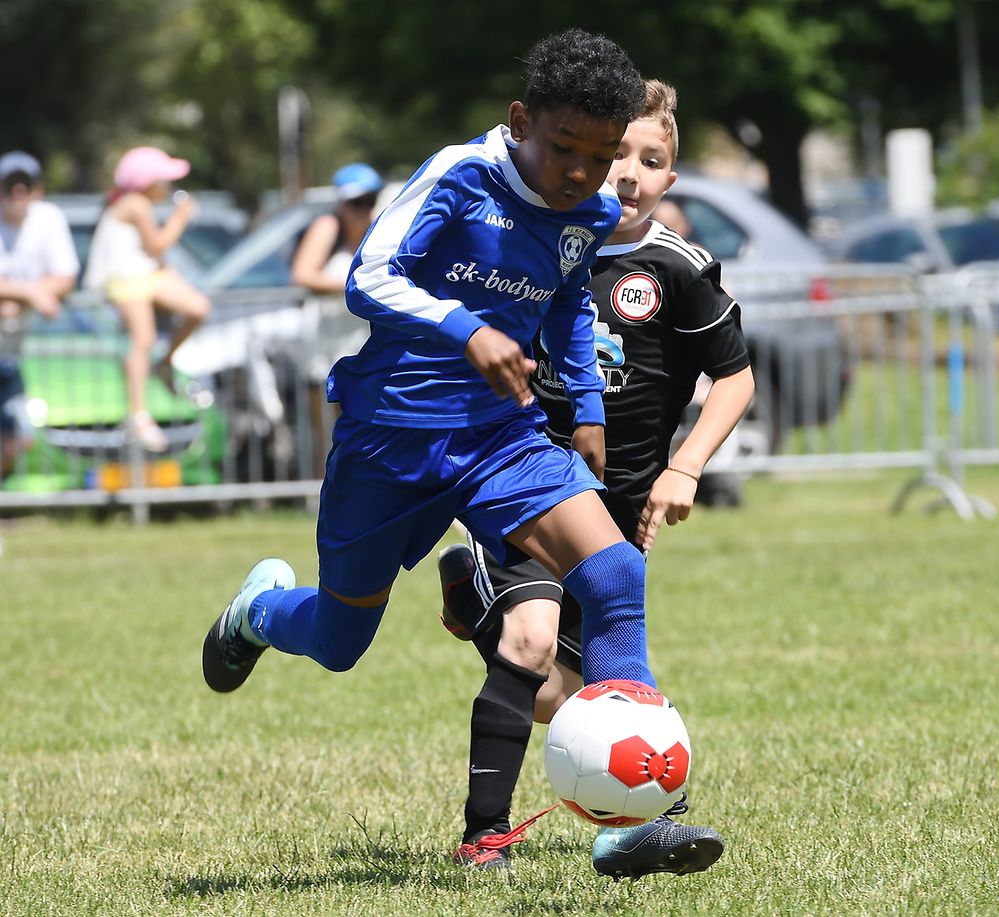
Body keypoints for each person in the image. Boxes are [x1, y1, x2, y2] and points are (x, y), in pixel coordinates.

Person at [201, 28, 659, 803]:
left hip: (501, 439)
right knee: (340, 642)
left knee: (616, 572)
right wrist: (466, 328)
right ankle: (258, 612)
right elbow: (365, 279)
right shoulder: (461, 174)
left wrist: (585, 408)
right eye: (564, 146)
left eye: (602, 152)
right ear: (522, 122)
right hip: (391, 438)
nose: (581, 171)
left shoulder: (589, 211)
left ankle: (636, 806)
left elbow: (568, 302)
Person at [437, 80, 753, 877]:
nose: (631, 173)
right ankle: (487, 836)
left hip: (619, 519)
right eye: (619, 155)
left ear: (669, 181)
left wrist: (685, 467)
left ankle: (474, 606)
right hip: (527, 486)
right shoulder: (537, 245)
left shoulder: (677, 268)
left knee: (566, 696)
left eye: (652, 161)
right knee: (532, 639)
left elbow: (737, 379)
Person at [83, 146, 211, 453]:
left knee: (198, 308)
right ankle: (138, 414)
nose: (167, 187)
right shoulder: (135, 204)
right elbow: (155, 246)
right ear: (147, 182)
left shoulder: (136, 204)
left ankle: (164, 365)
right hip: (127, 279)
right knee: (143, 339)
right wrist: (180, 218)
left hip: (142, 276)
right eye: (162, 180)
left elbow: (154, 256)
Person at [290, 162, 385, 468]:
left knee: (368, 428)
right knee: (330, 432)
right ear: (341, 202)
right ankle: (325, 497)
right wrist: (356, 284)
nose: (362, 209)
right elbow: (303, 274)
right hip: (325, 347)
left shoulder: (378, 228)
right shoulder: (327, 227)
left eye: (368, 201)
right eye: (355, 202)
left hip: (361, 343)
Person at [0, 151, 80, 479]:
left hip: (14, 350)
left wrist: (14, 296)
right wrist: (32, 293)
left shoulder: (49, 218)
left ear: (38, 190)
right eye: (9, 186)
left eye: (25, 186)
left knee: (17, 437)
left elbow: (65, 277)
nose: (18, 194)